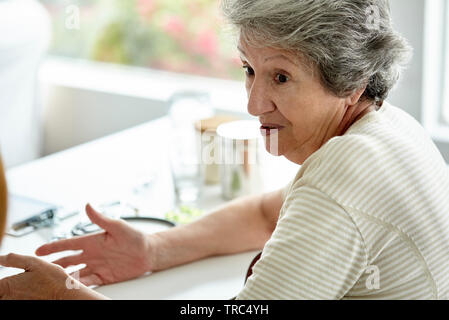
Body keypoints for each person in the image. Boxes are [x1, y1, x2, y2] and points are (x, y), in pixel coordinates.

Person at [1, 0, 449, 299]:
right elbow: (265, 215)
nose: (253, 103)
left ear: (350, 82)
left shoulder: (345, 178)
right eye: (249, 69)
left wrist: (68, 296)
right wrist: (153, 250)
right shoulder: (387, 125)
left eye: (281, 77)